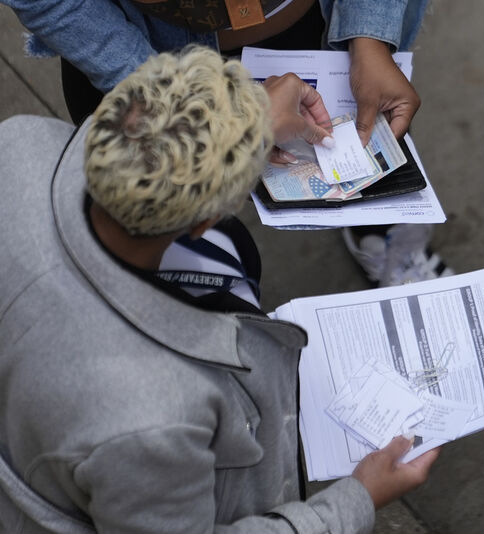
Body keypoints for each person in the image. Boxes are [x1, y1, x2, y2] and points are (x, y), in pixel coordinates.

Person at [0, 46, 439, 533]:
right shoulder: (155, 420)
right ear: (205, 222)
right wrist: (357, 500)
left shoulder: (18, 147)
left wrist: (239, 119)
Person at [3, 0, 452, 287]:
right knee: (166, 225)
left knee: (361, 146)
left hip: (317, 24)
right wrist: (187, 112)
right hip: (143, 52)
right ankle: (198, 296)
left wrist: (369, 33)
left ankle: (384, 234)